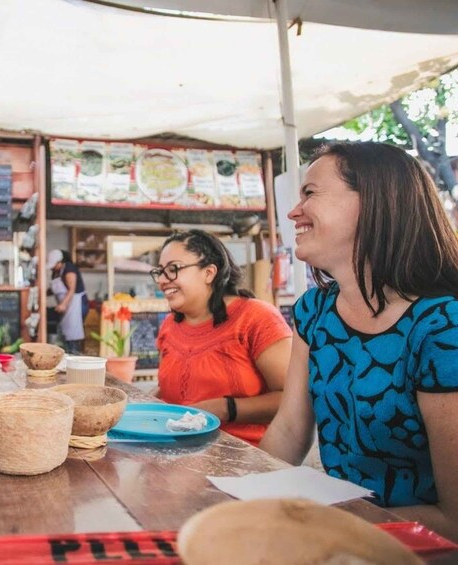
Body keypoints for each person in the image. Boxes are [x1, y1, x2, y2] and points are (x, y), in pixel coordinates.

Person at [260, 142, 458, 539]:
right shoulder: (314, 311)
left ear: (375, 202)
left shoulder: (443, 327)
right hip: (338, 537)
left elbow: (454, 520)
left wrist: (329, 523)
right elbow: (288, 431)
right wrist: (240, 494)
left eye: (310, 193)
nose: (293, 212)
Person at [153, 229, 292, 445]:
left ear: (209, 272)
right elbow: (168, 390)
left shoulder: (257, 318)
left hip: (245, 461)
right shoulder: (169, 326)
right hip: (174, 452)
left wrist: (227, 409)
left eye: (173, 269)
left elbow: (294, 400)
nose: (162, 280)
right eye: (160, 272)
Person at [46, 249, 89, 354]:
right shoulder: (56, 272)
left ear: (60, 262)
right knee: (66, 332)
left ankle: (75, 356)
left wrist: (63, 304)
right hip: (68, 306)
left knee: (73, 332)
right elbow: (54, 289)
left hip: (77, 304)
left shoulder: (69, 269)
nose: (52, 267)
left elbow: (71, 289)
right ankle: (69, 355)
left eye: (54, 264)